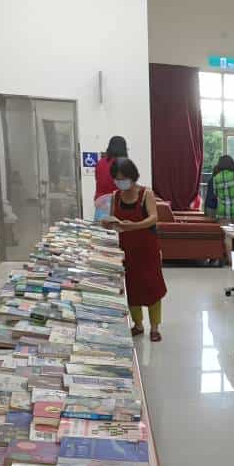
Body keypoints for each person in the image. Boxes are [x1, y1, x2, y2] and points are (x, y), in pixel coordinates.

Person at [101, 159, 167, 342]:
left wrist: (134, 226)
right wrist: (108, 223)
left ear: (132, 176)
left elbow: (153, 218)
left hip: (147, 249)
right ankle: (138, 324)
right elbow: (114, 218)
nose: (120, 182)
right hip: (126, 249)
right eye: (117, 179)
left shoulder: (146, 194)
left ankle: (155, 327)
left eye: (123, 178)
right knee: (131, 288)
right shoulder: (116, 196)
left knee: (152, 288)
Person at [94, 136, 128, 222]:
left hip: (101, 203)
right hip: (117, 204)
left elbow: (98, 180)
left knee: (100, 229)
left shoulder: (100, 162)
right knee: (118, 229)